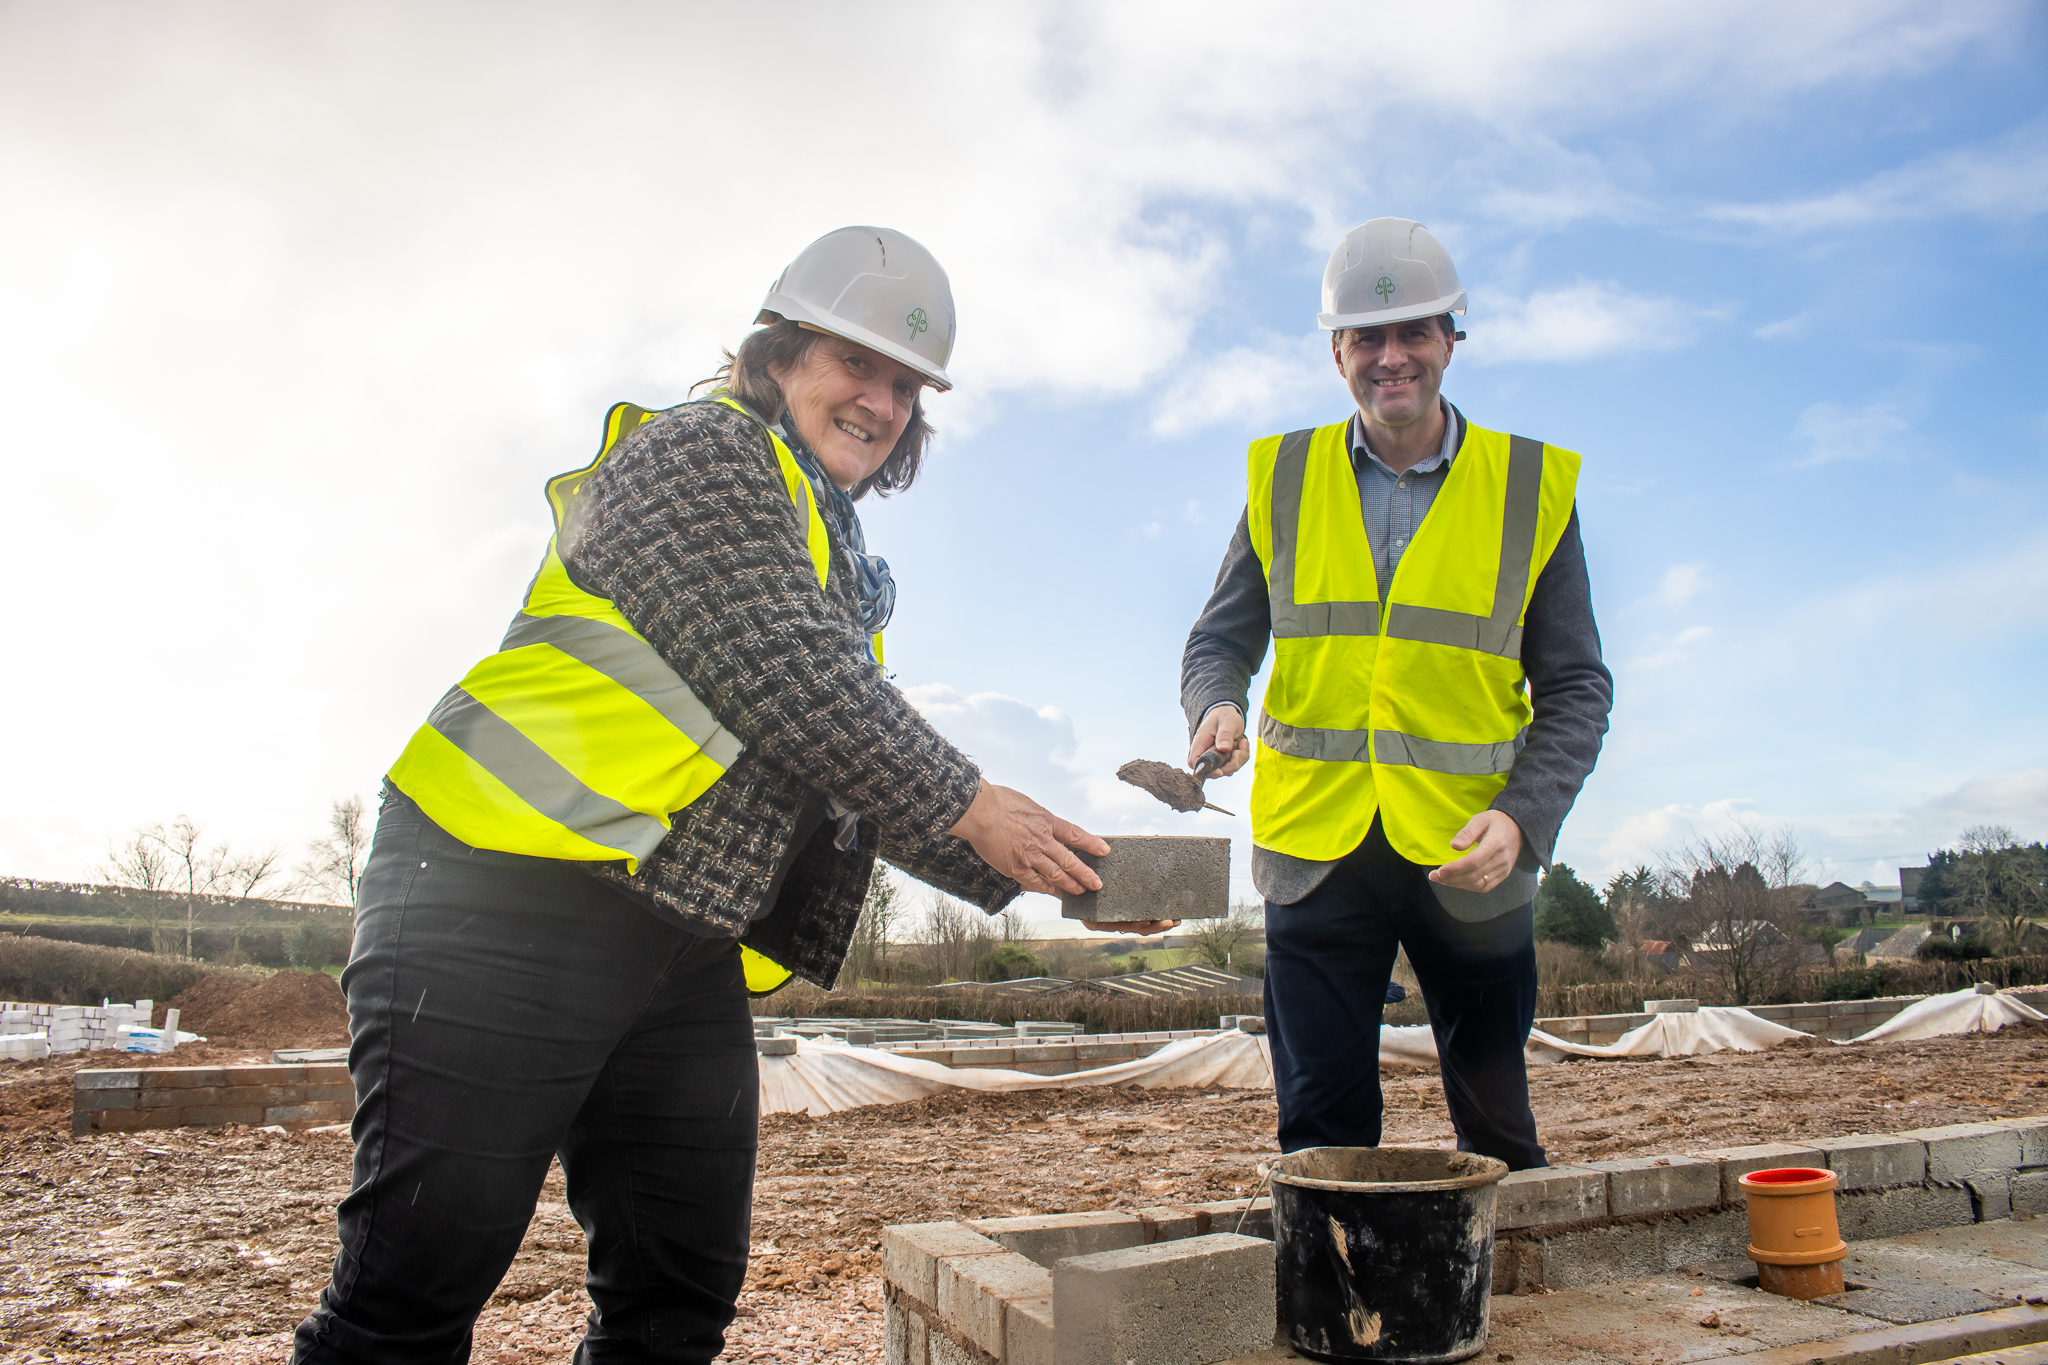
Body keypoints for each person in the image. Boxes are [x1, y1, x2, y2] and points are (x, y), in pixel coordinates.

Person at [294, 226, 1166, 1364]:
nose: (881, 400)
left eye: (905, 386)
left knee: (676, 1290)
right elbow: (787, 677)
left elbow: (845, 769)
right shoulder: (700, 452)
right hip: (495, 897)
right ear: (776, 355)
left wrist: (1069, 875)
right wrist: (978, 804)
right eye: (855, 364)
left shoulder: (829, 546)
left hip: (674, 934)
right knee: (417, 1282)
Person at [1178, 218, 1613, 1171]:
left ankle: (1511, 1312)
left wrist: (1526, 819)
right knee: (1321, 1130)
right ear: (1336, 352)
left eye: (1413, 331)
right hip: (1313, 850)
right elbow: (1219, 641)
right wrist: (1215, 704)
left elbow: (1577, 685)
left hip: (1473, 850)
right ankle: (1339, 1316)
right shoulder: (1282, 478)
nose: (1392, 356)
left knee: (1499, 1126)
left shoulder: (1530, 487)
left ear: (1453, 337)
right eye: (1366, 337)